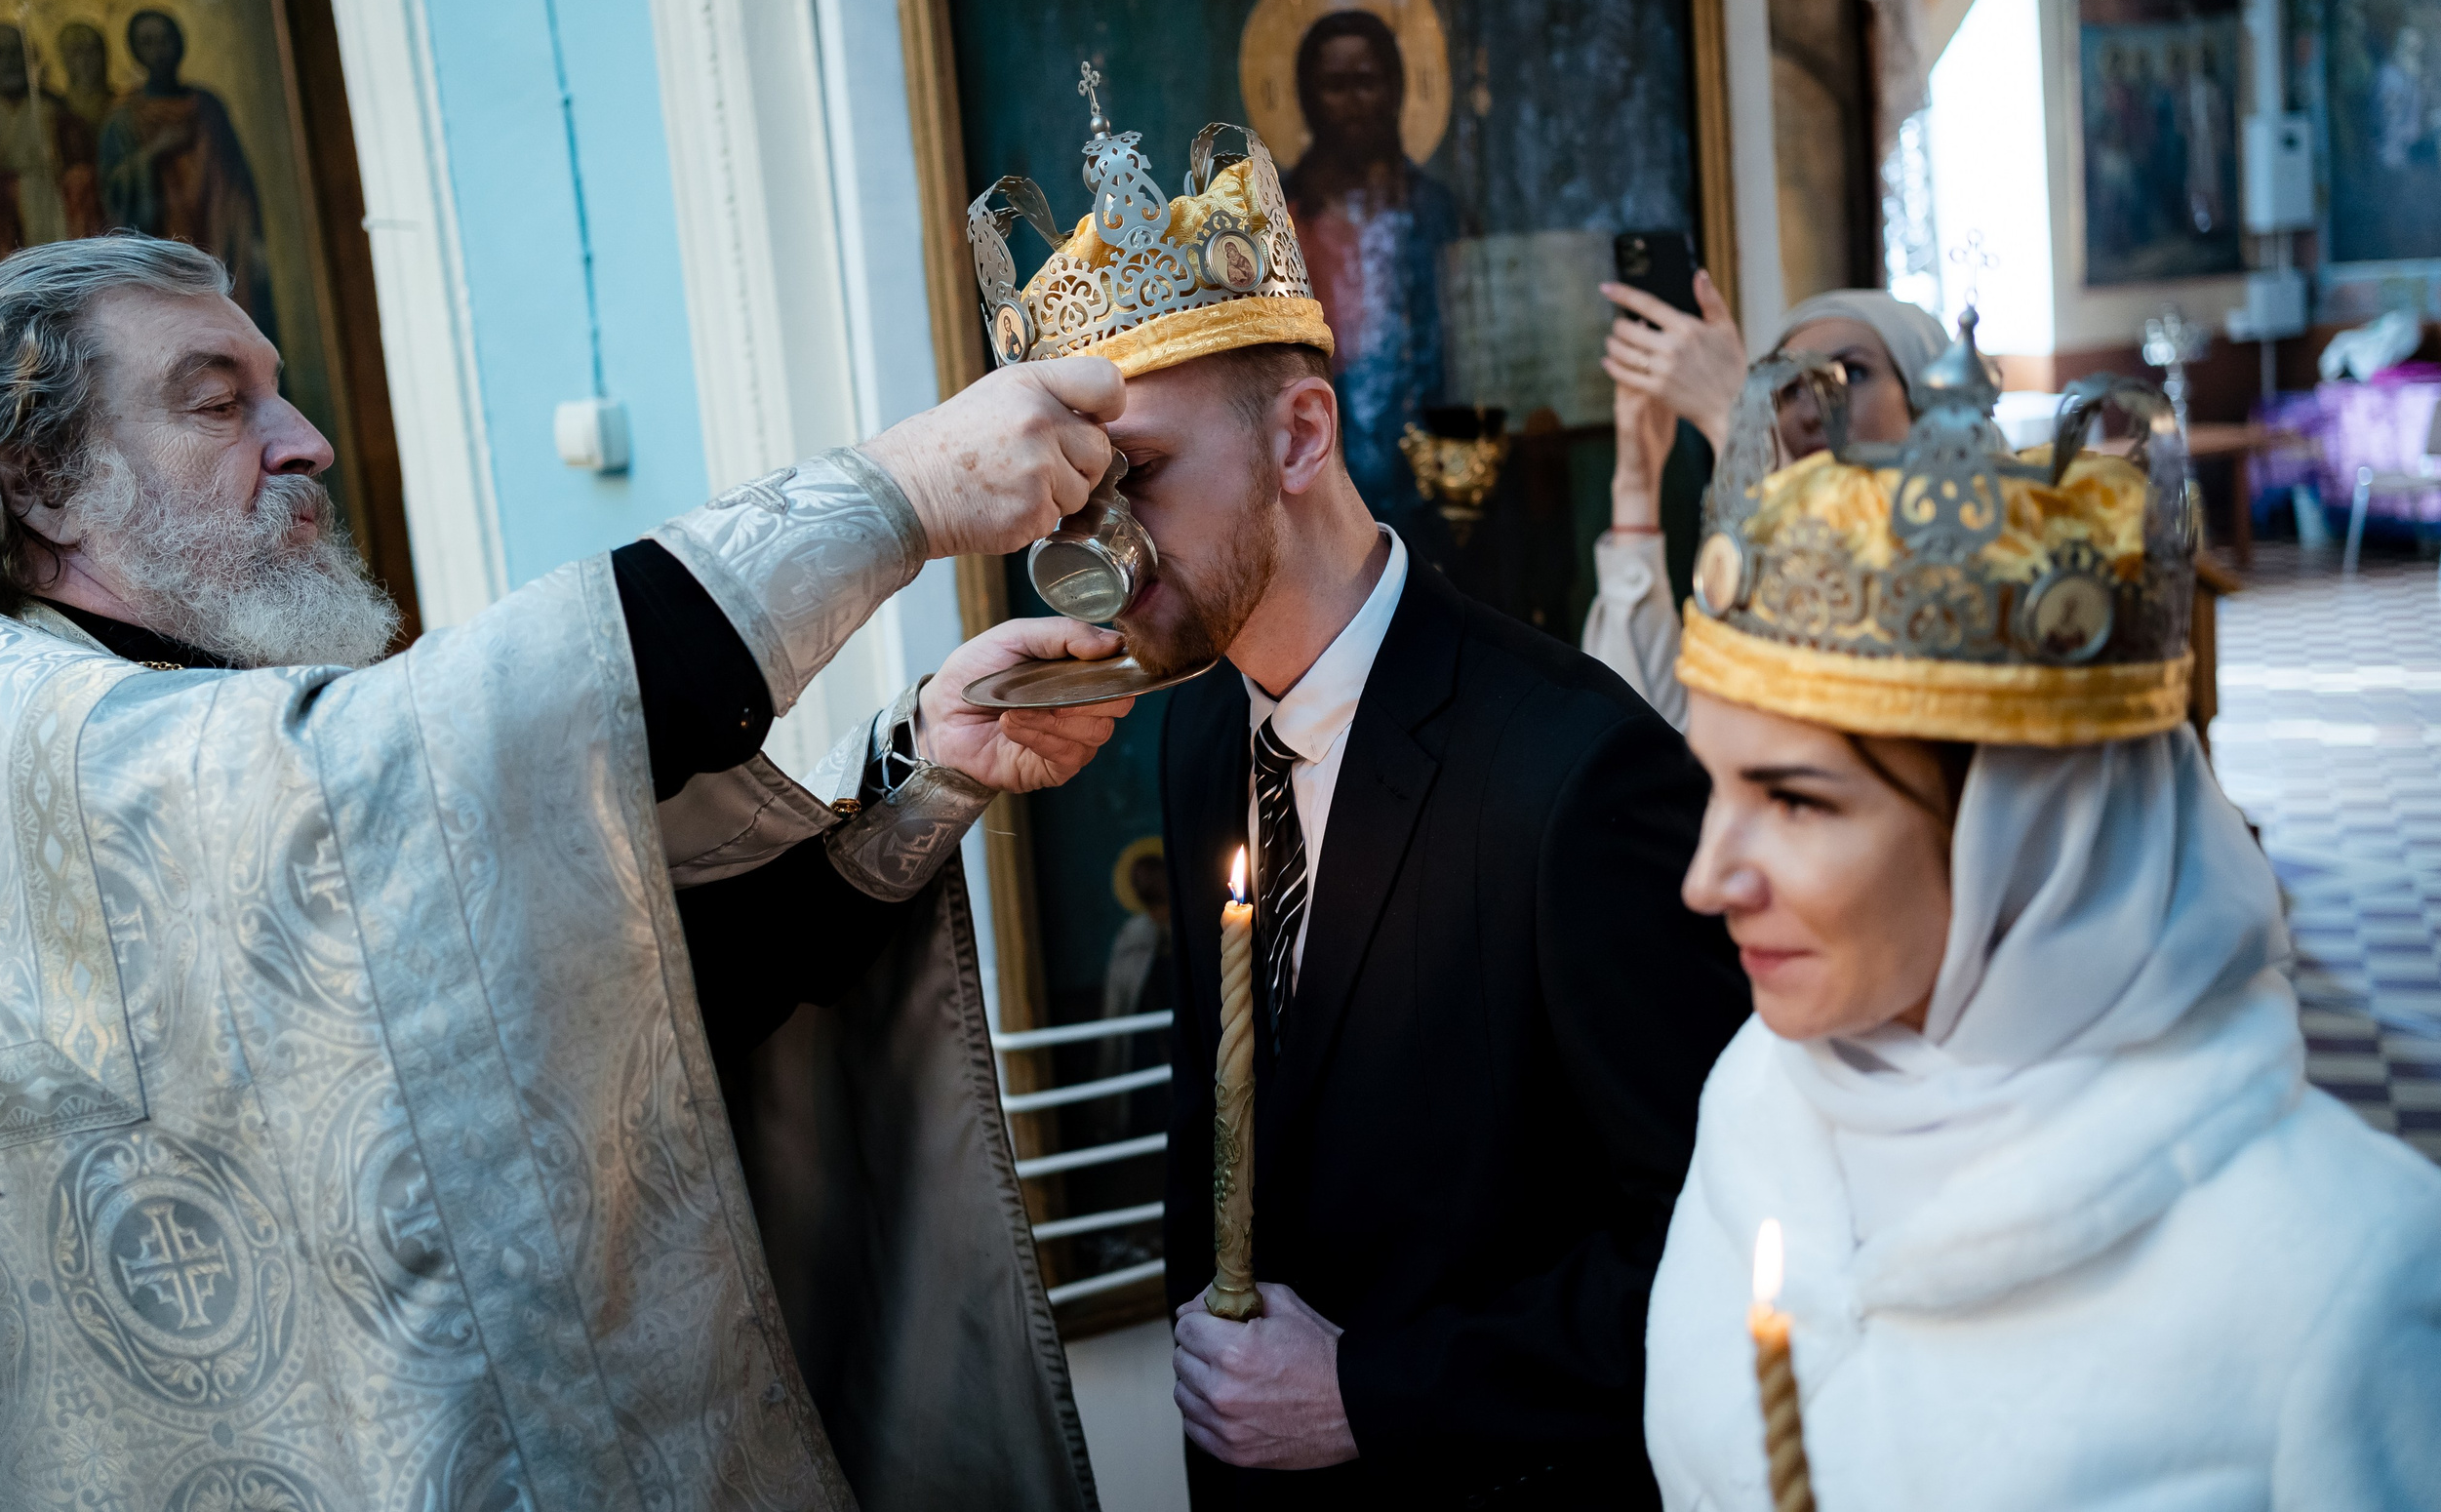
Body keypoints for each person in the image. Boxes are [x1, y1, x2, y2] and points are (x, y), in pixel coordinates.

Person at [0, 234, 1139, 1510]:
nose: (304, 441)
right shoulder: (26, 736)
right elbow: (407, 759)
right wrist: (899, 493)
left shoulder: (191, 699)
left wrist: (927, 779)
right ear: (40, 476)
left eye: (277, 389)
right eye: (220, 400)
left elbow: (627, 998)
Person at [968, 79, 1744, 1504]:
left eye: (1134, 477)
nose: (1103, 546)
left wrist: (1367, 1393)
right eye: (1079, 499)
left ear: (1301, 436)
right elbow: (1230, 1155)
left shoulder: (1578, 777)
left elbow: (1724, 1243)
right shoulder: (1202, 734)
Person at [1643, 314, 2441, 1508]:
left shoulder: (2333, 1272)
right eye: (1716, 786)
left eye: (1796, 803)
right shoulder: (1758, 1098)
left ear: (2030, 837)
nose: (1706, 882)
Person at [1585, 277, 1951, 729]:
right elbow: (1647, 735)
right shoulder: (1751, 534)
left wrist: (1732, 419)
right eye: (1788, 387)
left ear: (1927, 399)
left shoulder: (1982, 540)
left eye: (1851, 373)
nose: (1813, 412)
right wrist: (1635, 484)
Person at [1284, 8, 1461, 529]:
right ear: (1307, 99)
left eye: (1366, 82)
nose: (1353, 102)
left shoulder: (1438, 211)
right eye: (1334, 86)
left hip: (1436, 480)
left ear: (1396, 89)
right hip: (1318, 480)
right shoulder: (1281, 217)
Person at [100, 10, 275, 337]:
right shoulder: (124, 117)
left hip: (217, 229)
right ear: (136, 52)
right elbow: (114, 190)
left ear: (180, 43)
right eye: (148, 43)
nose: (159, 50)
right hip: (166, 237)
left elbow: (236, 180)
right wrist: (154, 152)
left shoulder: (207, 105)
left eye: (165, 39)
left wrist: (250, 239)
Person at [0, 22, 100, 263]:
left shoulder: (53, 107)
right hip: (5, 216)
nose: (9, 61)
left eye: (15, 52)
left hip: (55, 205)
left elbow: (82, 164)